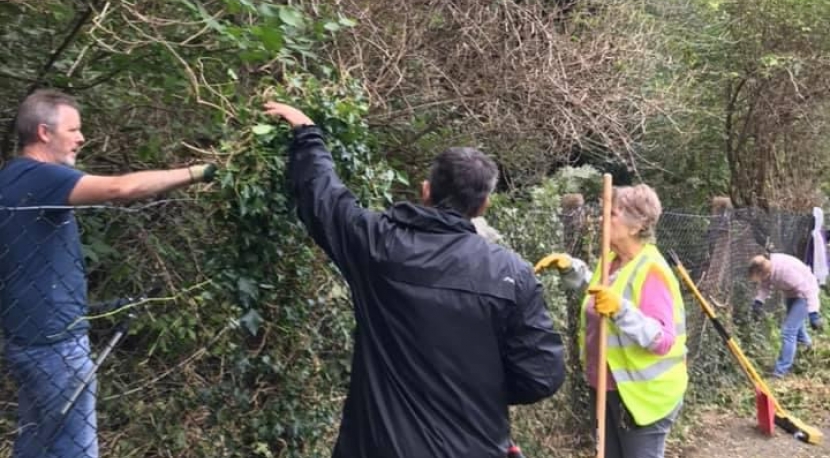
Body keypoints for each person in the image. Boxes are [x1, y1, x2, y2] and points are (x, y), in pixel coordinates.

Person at [262, 101, 565, 458]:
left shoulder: (379, 246)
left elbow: (324, 200)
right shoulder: (511, 274)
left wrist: (307, 134)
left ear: (425, 191)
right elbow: (541, 375)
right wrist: (478, 389)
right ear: (483, 205)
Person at [0, 89, 216, 458]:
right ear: (43, 132)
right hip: (57, 347)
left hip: (27, 339)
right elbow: (121, 188)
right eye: (74, 129)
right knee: (74, 449)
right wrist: (197, 171)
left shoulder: (11, 178)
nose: (82, 138)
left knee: (37, 442)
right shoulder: (42, 177)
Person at [536, 184, 687, 458]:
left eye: (611, 214)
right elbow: (601, 294)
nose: (601, 220)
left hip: (643, 396)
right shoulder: (613, 261)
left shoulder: (651, 270)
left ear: (636, 225)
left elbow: (662, 340)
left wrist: (620, 310)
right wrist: (572, 268)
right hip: (607, 387)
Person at [748, 252, 823, 378]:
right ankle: (810, 353)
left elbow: (809, 291)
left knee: (788, 331)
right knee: (797, 330)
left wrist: (813, 313)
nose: (761, 281)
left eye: (760, 277)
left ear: (764, 272)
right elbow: (765, 286)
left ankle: (780, 372)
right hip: (792, 293)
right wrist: (758, 302)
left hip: (805, 295)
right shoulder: (767, 269)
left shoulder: (785, 271)